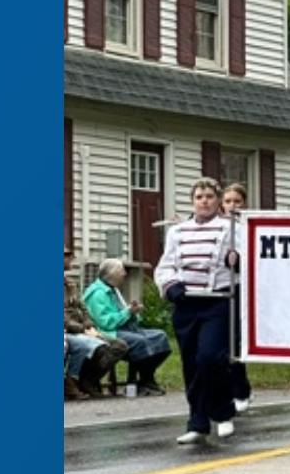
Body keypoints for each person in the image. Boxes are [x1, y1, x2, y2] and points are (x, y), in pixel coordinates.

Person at [155, 177, 242, 443]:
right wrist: (171, 286)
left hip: (217, 301)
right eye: (199, 197)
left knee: (211, 358)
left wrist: (236, 260)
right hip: (187, 303)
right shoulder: (177, 231)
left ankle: (223, 410)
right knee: (191, 364)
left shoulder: (230, 227)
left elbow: (245, 261)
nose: (204, 201)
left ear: (217, 201)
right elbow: (165, 265)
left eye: (209, 196)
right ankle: (197, 421)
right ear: (193, 201)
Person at [82, 259, 171, 395]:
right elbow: (105, 323)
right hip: (108, 332)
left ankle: (146, 379)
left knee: (160, 337)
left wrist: (133, 311)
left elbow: (124, 315)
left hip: (125, 328)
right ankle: (141, 382)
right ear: (111, 274)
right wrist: (127, 312)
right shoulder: (98, 293)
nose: (124, 274)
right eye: (121, 271)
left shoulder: (113, 290)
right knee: (140, 342)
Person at [64, 274, 127, 399]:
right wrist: (82, 329)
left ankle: (88, 380)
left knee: (119, 346)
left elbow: (84, 309)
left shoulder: (70, 285)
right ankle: (76, 382)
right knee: (100, 347)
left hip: (84, 329)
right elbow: (64, 320)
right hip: (70, 331)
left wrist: (88, 324)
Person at [220, 182, 255, 411]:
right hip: (218, 289)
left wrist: (239, 262)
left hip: (240, 287)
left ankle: (241, 390)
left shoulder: (246, 228)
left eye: (237, 201)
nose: (232, 206)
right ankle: (225, 392)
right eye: (228, 201)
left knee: (235, 342)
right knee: (219, 345)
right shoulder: (217, 227)